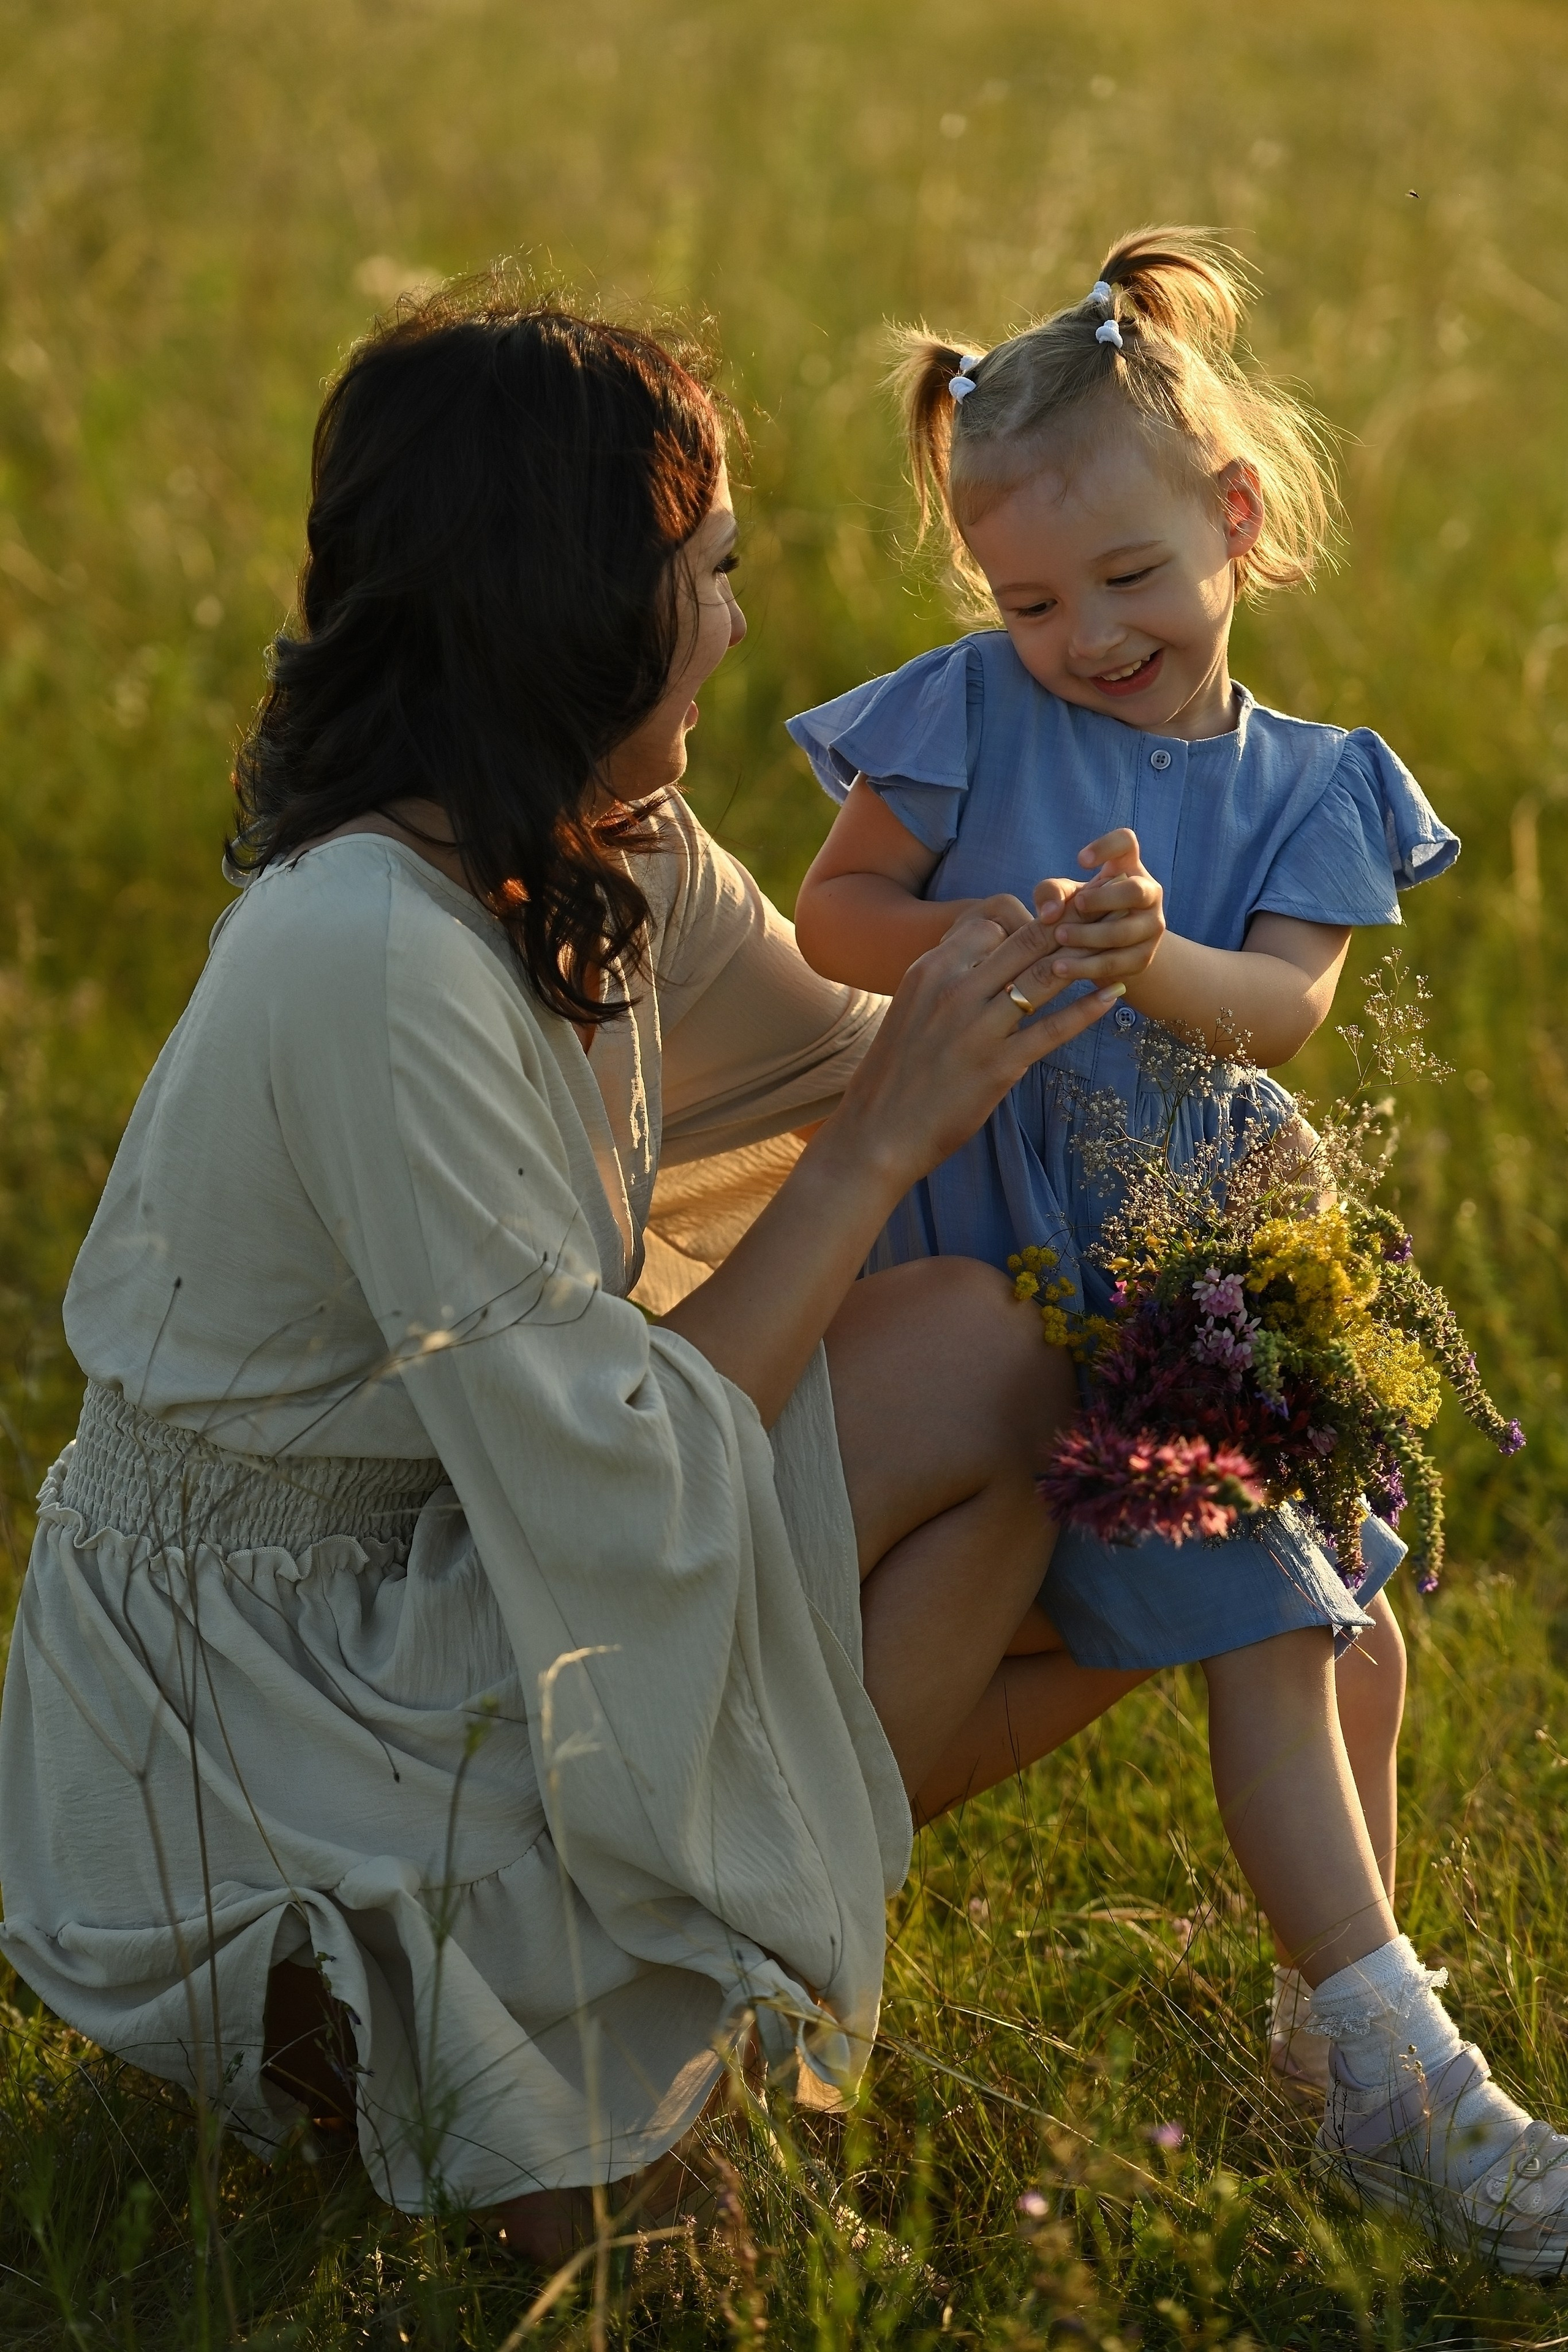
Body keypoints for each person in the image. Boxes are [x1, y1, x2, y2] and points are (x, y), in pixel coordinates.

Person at [0, 284, 1157, 2266]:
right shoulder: (367, 947)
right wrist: (882, 1142)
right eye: (707, 579)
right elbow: (609, 1463)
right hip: (259, 1708)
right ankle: (563, 2061)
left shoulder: (597, 848)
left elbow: (856, 1067)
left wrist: (1193, 1181)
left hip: (454, 1563)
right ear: (572, 611)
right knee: (982, 1374)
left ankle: (697, 2020)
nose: (732, 627)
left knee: (1088, 1463)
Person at [788, 229, 1568, 2271]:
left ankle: (1336, 2049)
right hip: (1017, 1293)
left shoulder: (1316, 784)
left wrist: (1150, 963)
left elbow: (1284, 1011)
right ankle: (1410, 2084)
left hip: (1197, 1285)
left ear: (1235, 518)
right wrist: (973, 929)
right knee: (1271, 1629)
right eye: (1032, 600)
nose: (1087, 635)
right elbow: (831, 915)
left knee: (1357, 1632)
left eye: (1128, 579)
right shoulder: (967, 714)